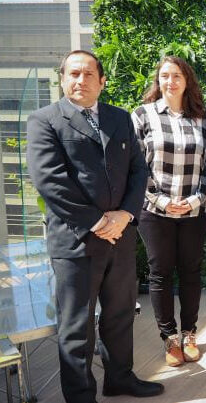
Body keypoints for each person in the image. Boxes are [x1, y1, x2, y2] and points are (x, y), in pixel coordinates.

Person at [26, 50, 163, 401]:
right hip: (76, 241)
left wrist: (125, 215)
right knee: (77, 326)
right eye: (73, 74)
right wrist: (99, 221)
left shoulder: (119, 117)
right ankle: (81, 395)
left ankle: (119, 379)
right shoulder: (45, 121)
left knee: (120, 315)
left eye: (88, 74)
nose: (80, 80)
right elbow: (50, 181)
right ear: (62, 79)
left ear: (102, 81)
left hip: (120, 237)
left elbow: (138, 170)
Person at [131, 56, 206, 367]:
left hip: (195, 209)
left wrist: (195, 200)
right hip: (154, 210)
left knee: (191, 271)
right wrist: (162, 201)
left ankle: (190, 333)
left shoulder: (204, 118)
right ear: (158, 80)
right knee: (161, 272)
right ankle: (169, 337)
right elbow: (135, 168)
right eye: (165, 75)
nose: (170, 81)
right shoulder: (142, 116)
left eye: (177, 75)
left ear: (187, 80)